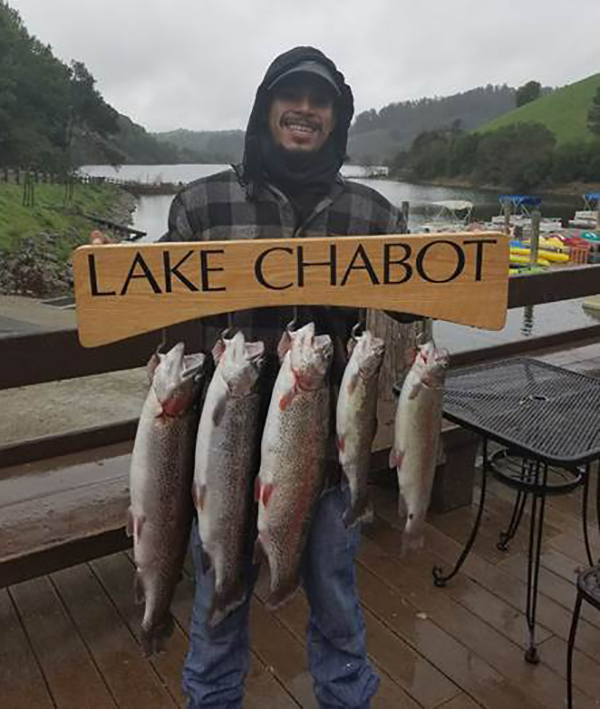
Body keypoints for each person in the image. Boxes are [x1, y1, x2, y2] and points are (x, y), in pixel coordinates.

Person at [93, 46, 413, 709]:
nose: (304, 110)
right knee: (216, 616)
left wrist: (450, 266)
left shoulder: (373, 213)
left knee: (337, 613)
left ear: (336, 119)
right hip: (223, 453)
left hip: (324, 457)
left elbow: (414, 300)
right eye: (290, 96)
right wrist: (108, 274)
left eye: (320, 101)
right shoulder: (202, 202)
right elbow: (154, 299)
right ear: (266, 108)